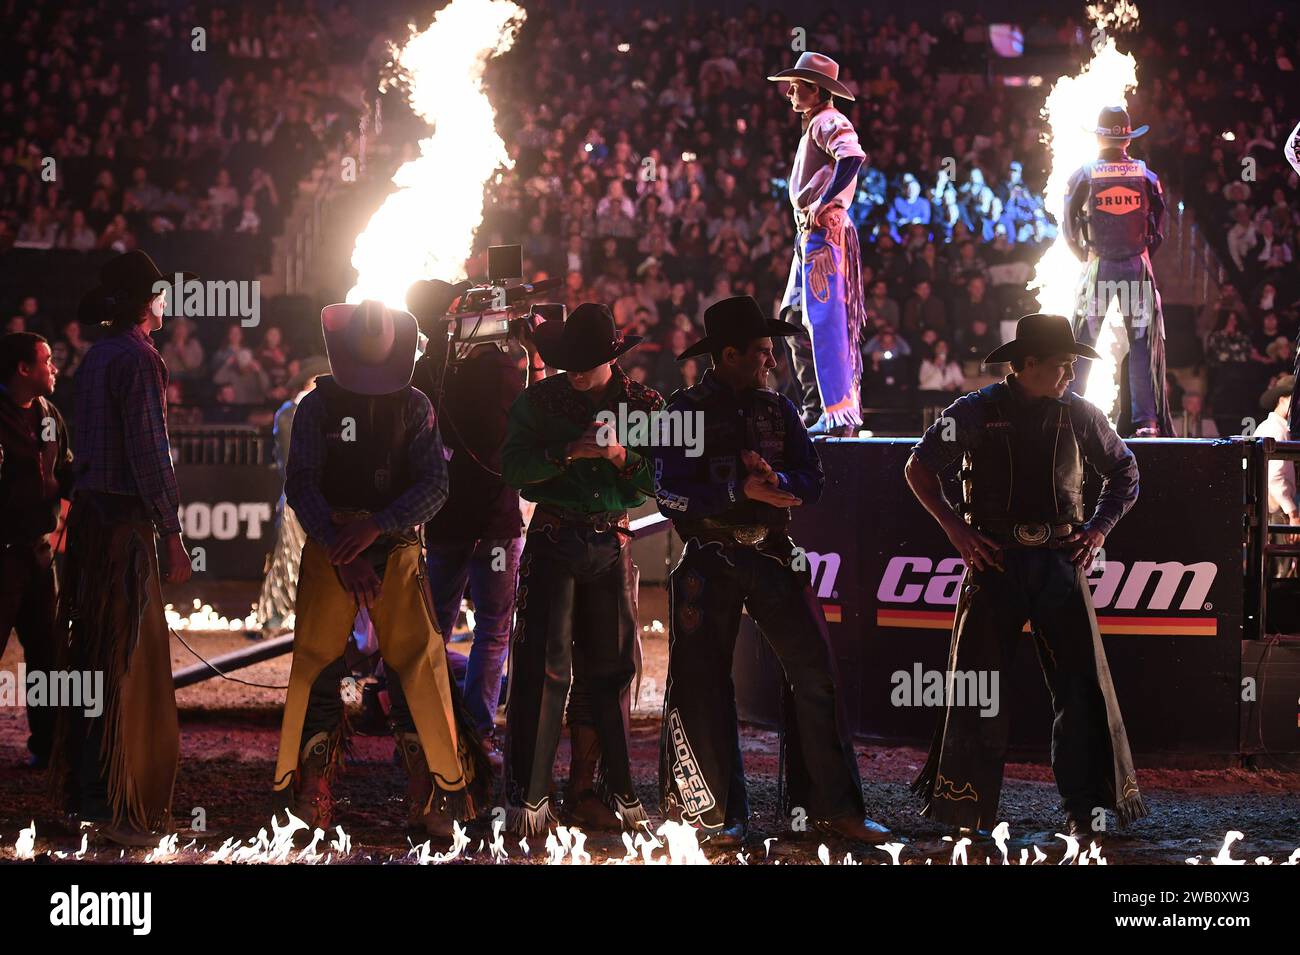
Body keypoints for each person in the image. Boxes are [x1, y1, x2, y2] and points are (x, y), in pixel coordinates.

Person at [653, 296, 891, 846]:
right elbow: (665, 493)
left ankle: (835, 809)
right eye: (762, 352)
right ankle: (713, 817)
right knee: (704, 684)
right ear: (728, 354)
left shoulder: (778, 409)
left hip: (773, 554)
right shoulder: (681, 411)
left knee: (816, 674)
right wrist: (740, 488)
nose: (771, 361)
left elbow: (814, 477)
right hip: (709, 559)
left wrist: (779, 485)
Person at [906, 313, 1147, 837]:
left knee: (1080, 687)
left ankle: (1088, 811)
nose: (1069, 375)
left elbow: (1125, 471)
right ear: (1028, 364)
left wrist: (1100, 528)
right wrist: (956, 531)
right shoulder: (974, 410)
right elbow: (919, 466)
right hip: (995, 563)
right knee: (977, 687)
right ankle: (965, 811)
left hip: (1061, 563)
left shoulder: (1081, 414)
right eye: (1062, 366)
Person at [274, 300, 487, 839]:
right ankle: (313, 789)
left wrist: (363, 534)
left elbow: (434, 487)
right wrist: (348, 543)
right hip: (349, 549)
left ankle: (430, 790)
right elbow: (301, 483)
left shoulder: (411, 406)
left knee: (409, 663)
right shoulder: (321, 408)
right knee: (325, 665)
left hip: (376, 549)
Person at [49, 251, 197, 846]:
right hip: (123, 532)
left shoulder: (96, 357)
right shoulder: (140, 360)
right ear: (144, 303)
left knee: (92, 658)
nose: (165, 304)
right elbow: (149, 453)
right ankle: (122, 801)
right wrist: (172, 532)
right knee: (128, 668)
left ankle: (88, 793)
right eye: (159, 295)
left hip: (91, 526)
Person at [500, 303, 662, 835]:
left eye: (585, 363)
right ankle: (534, 798)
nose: (574, 372)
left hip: (608, 540)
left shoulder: (643, 404)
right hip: (557, 537)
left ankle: (588, 790)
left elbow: (656, 482)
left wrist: (618, 458)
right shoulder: (541, 399)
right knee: (545, 669)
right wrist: (569, 450)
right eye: (569, 362)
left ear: (610, 359)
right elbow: (513, 469)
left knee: (610, 671)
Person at [408, 279, 534, 770]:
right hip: (496, 519)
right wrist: (527, 355)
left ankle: (432, 728)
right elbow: (527, 416)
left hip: (446, 520)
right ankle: (479, 733)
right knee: (493, 629)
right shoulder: (499, 368)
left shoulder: (422, 373)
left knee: (435, 627)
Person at [768, 52, 868, 435]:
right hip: (811, 235)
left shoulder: (829, 120)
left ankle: (837, 411)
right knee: (794, 319)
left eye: (796, 86)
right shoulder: (816, 124)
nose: (790, 92)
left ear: (816, 90)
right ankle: (817, 408)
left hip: (825, 235)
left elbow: (852, 157)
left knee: (824, 323)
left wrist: (824, 200)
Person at [1064, 106, 1172, 437]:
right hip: (1136, 265)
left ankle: (1070, 410)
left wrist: (1085, 255)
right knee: (1141, 342)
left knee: (1083, 340)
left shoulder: (1084, 174)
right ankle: (1146, 423)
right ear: (1127, 138)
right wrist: (1142, 254)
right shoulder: (1146, 176)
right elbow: (1160, 226)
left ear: (1099, 136)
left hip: (1099, 265)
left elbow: (1068, 225)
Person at [0, 332, 73, 770]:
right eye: (46, 361)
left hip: (38, 555)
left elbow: (66, 469)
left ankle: (47, 746)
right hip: (2, 555)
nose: (54, 369)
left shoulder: (49, 415)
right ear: (24, 369)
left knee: (47, 652)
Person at [1254, 375, 1297, 577]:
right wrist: (1293, 513)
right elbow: (1275, 478)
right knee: (1280, 568)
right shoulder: (1276, 430)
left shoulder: (1270, 427)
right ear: (1282, 400)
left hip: (1270, 508)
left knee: (1273, 567)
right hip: (1275, 510)